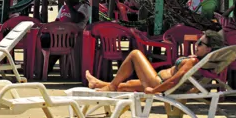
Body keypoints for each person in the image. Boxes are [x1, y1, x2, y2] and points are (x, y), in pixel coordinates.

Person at [85, 30, 225, 93]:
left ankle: (111, 86)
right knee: (127, 85)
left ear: (208, 49)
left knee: (135, 54)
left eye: (200, 43)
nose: (197, 44)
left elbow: (173, 81)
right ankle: (97, 83)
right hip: (160, 81)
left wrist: (154, 91)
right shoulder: (202, 62)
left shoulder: (192, 63)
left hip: (159, 84)